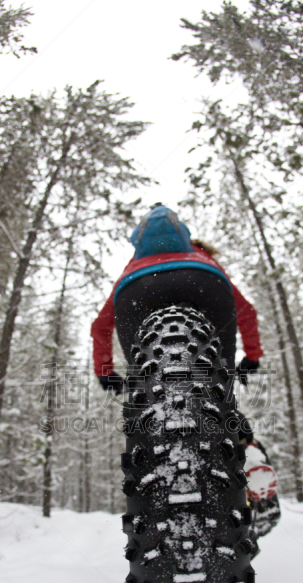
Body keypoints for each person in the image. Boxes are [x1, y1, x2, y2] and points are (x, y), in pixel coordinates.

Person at [91, 204, 280, 541]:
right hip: (208, 287)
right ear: (185, 236)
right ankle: (248, 457)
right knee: (222, 402)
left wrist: (106, 372)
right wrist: (252, 357)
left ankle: (153, 483)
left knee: (147, 411)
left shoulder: (133, 266)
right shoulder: (203, 258)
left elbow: (101, 326)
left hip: (136, 292)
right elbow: (246, 311)